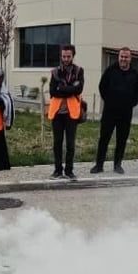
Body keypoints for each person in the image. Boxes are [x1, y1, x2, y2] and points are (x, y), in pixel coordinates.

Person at [93, 47, 138, 174]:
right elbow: (102, 87)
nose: (123, 59)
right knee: (104, 138)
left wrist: (132, 103)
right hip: (109, 111)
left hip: (126, 112)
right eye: (122, 56)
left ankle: (117, 165)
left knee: (121, 140)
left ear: (130, 58)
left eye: (126, 57)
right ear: (119, 57)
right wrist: (109, 100)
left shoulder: (135, 74)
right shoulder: (110, 70)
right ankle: (99, 165)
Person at [48, 44, 85, 180]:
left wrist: (61, 88)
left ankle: (69, 171)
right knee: (57, 142)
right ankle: (58, 170)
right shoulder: (55, 72)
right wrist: (70, 89)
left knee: (70, 143)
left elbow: (79, 89)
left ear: (73, 56)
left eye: (68, 56)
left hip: (72, 113)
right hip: (57, 112)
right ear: (61, 56)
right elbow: (52, 91)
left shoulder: (79, 71)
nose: (66, 59)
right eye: (64, 56)